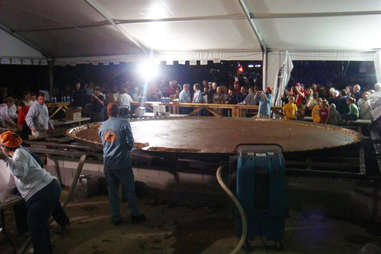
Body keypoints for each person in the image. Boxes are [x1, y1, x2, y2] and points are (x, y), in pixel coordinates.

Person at [0, 131, 69, 254]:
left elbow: (20, 173)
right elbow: (13, 180)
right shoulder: (21, 152)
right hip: (49, 186)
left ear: (5, 148)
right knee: (49, 208)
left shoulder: (19, 154)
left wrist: (5, 159)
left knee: (36, 226)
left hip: (41, 191)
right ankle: (64, 223)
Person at [98, 103, 145, 225]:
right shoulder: (124, 123)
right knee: (129, 189)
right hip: (122, 162)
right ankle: (134, 215)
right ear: (118, 111)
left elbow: (105, 143)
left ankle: (116, 217)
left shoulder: (102, 126)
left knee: (112, 191)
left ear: (107, 112)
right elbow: (130, 143)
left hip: (108, 163)